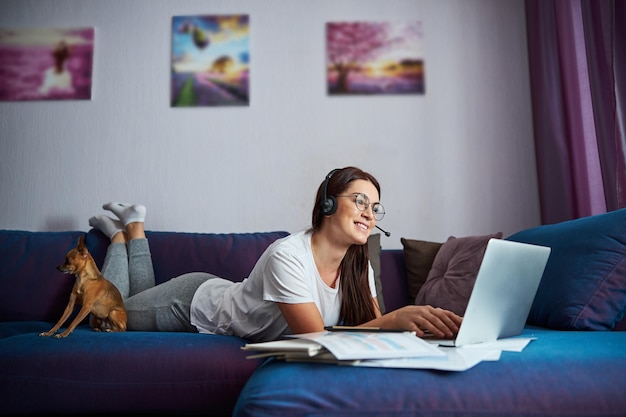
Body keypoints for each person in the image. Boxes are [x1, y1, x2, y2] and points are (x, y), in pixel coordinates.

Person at [89, 166, 462, 342]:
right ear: (328, 204)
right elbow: (314, 338)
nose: (369, 213)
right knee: (102, 313)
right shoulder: (288, 255)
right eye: (360, 201)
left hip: (212, 291)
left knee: (129, 299)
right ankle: (123, 237)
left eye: (375, 207)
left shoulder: (357, 265)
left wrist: (417, 331)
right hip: (188, 304)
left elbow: (372, 330)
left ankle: (133, 228)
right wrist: (396, 319)